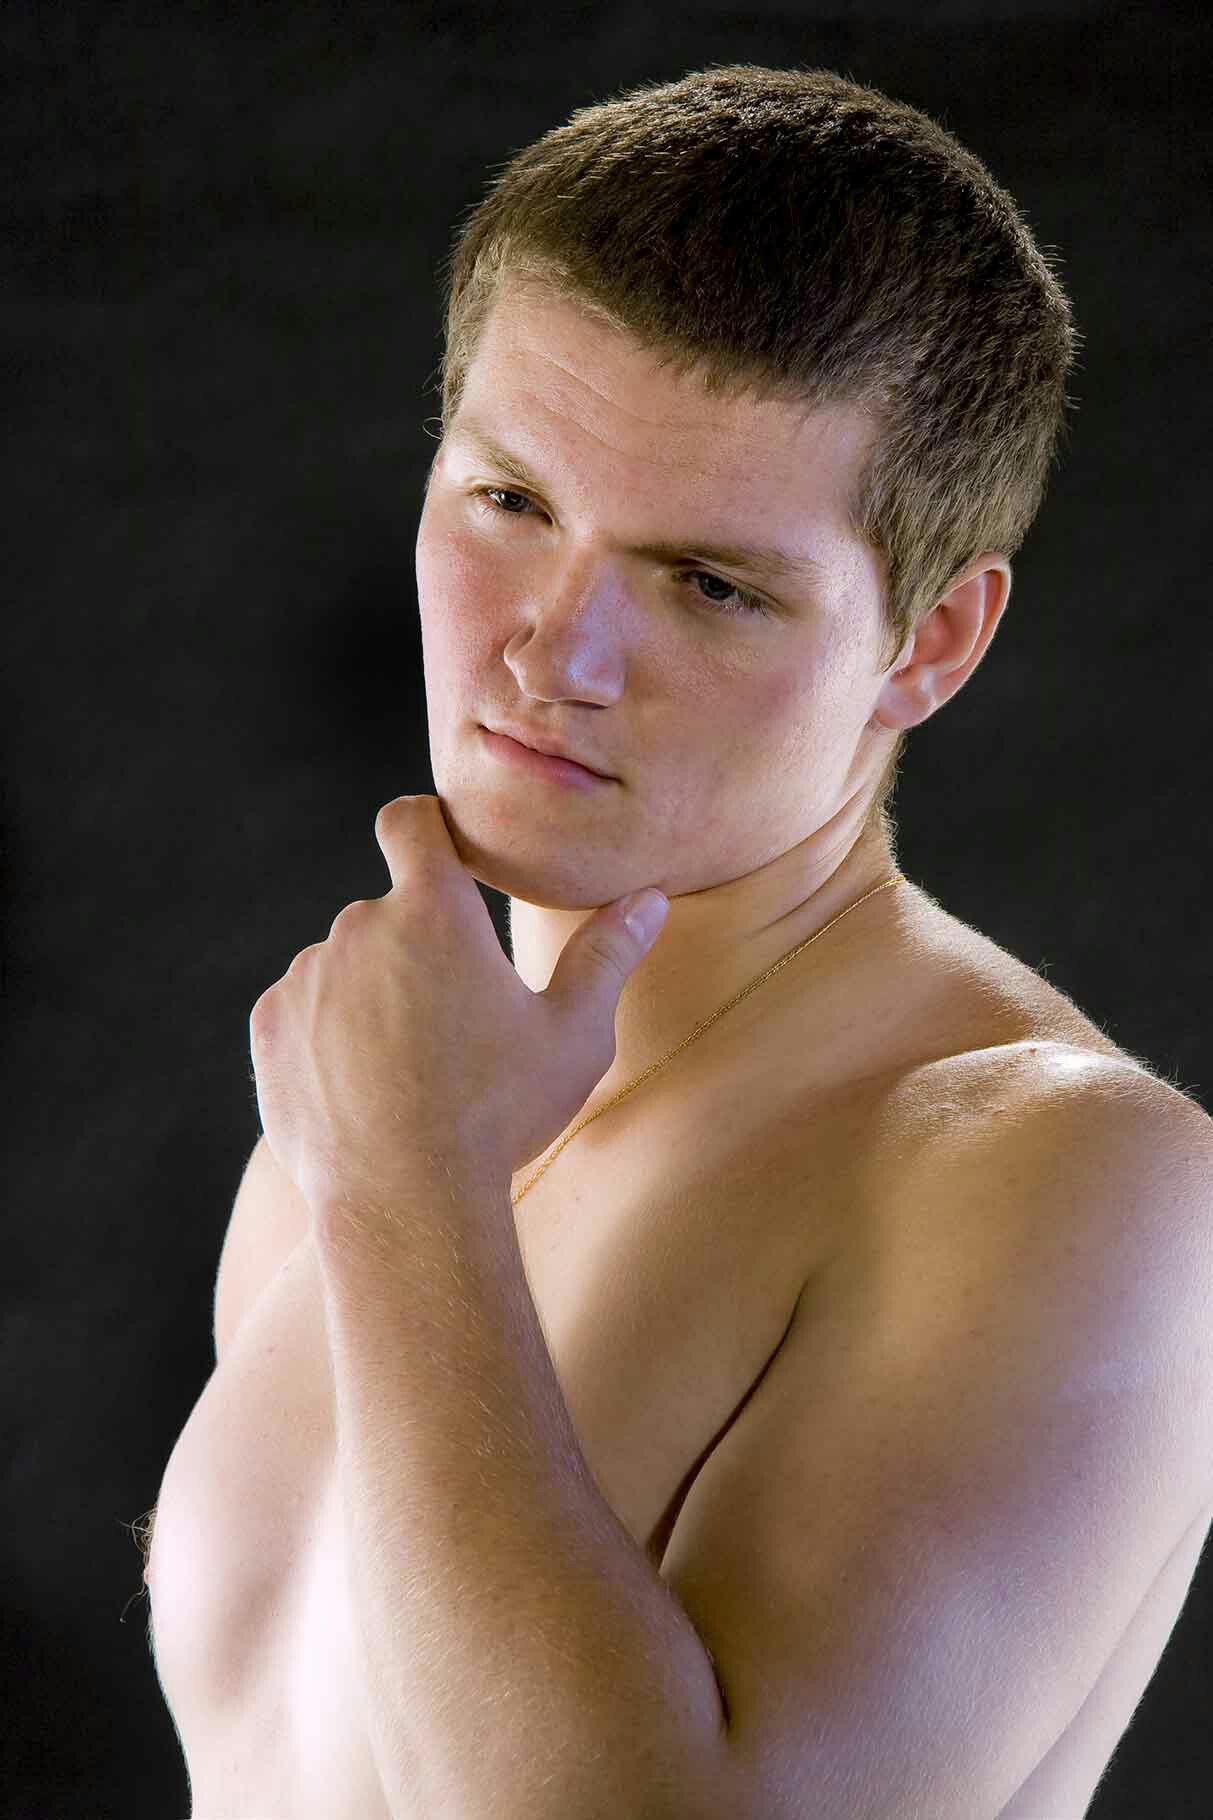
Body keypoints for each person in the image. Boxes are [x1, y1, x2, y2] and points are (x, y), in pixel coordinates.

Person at [143, 63, 1213, 1819]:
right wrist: (400, 1168)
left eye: (709, 585)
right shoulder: (381, 1104)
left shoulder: (1066, 1176)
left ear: (928, 644)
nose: (549, 654)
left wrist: (413, 1198)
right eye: (509, 504)